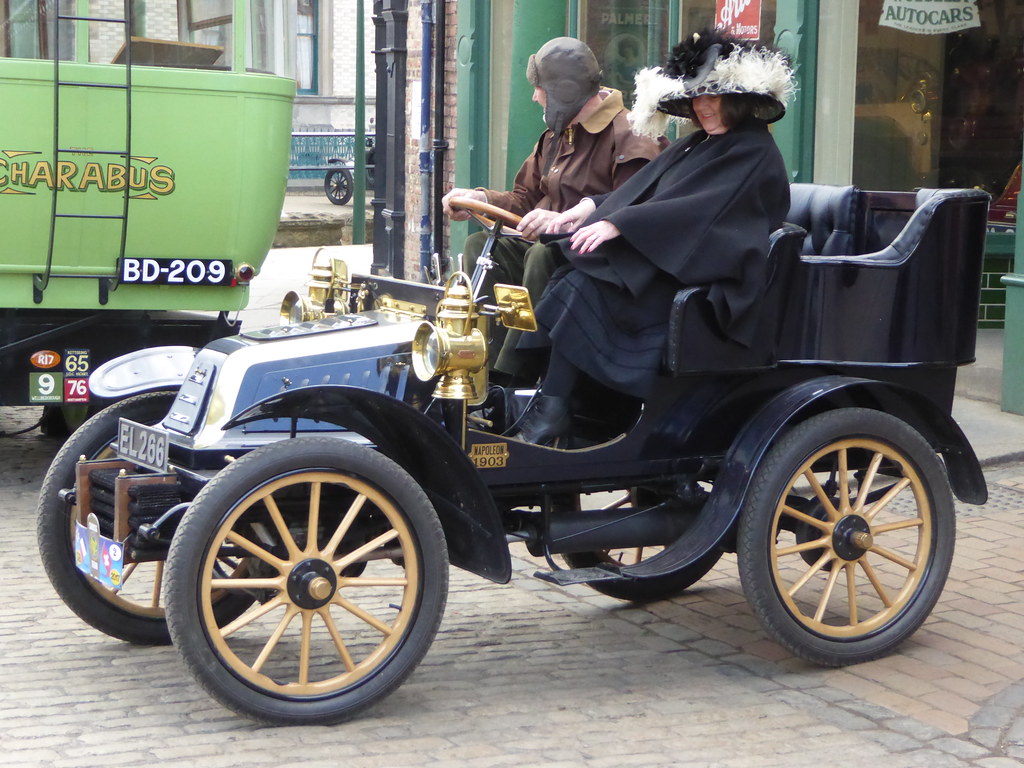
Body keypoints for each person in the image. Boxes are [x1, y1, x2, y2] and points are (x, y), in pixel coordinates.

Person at [508, 29, 796, 446]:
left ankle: (553, 411)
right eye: (698, 98)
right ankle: (554, 403)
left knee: (583, 286)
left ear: (737, 98)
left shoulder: (753, 151)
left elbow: (697, 212)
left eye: (714, 97)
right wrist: (588, 210)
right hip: (676, 263)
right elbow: (647, 190)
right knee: (568, 273)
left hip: (715, 287)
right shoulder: (699, 144)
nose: (704, 107)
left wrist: (620, 224)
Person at [442, 36, 663, 385]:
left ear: (563, 91)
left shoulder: (632, 136)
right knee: (482, 247)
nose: (534, 96)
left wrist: (565, 222)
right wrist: (481, 199)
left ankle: (516, 375)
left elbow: (635, 208)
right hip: (555, 250)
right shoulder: (558, 135)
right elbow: (525, 198)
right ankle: (480, 363)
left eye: (539, 88)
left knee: (541, 255)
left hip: (605, 262)